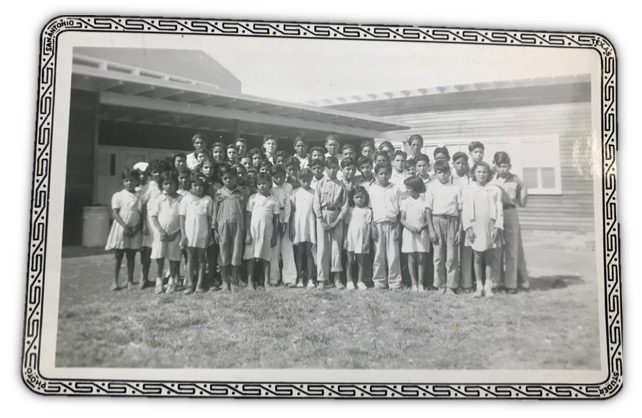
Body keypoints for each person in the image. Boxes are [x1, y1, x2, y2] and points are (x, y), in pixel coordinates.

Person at [462, 161, 504, 298]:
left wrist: (497, 226)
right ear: (474, 173)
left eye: (484, 172)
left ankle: (488, 285)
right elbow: (465, 211)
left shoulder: (495, 190)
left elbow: (499, 210)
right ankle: (479, 285)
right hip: (475, 226)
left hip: (489, 226)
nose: (481, 174)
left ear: (489, 174)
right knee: (477, 257)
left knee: (489, 257)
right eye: (479, 171)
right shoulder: (468, 189)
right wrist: (468, 228)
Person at [491, 151, 529, 293]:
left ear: (510, 165)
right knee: (496, 248)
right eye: (500, 166)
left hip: (510, 212)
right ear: (494, 165)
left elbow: (522, 200)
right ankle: (496, 281)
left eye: (506, 166)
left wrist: (524, 191)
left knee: (512, 249)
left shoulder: (515, 180)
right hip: (496, 215)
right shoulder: (491, 180)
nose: (503, 169)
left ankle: (511, 283)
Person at [426, 160, 461, 295]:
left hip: (452, 221)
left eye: (445, 172)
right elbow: (428, 209)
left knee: (452, 257)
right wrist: (431, 229)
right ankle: (440, 285)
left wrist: (459, 230)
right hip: (437, 221)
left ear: (449, 172)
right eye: (439, 172)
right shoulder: (432, 188)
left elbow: (460, 210)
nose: (443, 175)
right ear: (435, 173)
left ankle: (451, 286)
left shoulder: (456, 188)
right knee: (438, 256)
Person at [313, 156, 349, 289]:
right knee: (322, 247)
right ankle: (322, 278)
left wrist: (338, 220)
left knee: (336, 248)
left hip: (336, 215)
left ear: (338, 168)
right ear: (325, 169)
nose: (332, 170)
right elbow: (316, 203)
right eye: (329, 168)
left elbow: (345, 205)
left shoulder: (341, 185)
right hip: (323, 215)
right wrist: (321, 219)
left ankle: (337, 278)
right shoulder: (320, 183)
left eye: (335, 168)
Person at [105, 170, 143, 290]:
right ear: (123, 182)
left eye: (132, 180)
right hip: (121, 228)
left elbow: (141, 214)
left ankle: (130, 280)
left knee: (131, 255)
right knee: (119, 255)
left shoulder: (139, 196)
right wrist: (125, 226)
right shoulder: (118, 195)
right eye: (127, 180)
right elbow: (115, 213)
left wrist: (136, 228)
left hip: (134, 228)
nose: (129, 183)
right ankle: (114, 281)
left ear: (136, 182)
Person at [368, 162, 402, 290]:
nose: (384, 176)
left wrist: (398, 226)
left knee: (393, 255)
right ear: (376, 175)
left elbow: (400, 209)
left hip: (392, 224)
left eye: (386, 173)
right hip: (378, 225)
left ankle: (395, 282)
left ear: (390, 174)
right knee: (378, 255)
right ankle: (379, 281)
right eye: (381, 174)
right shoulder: (372, 189)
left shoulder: (395, 188)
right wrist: (372, 227)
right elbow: (370, 210)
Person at [212, 164, 246, 291]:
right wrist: (214, 229)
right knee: (223, 254)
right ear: (221, 179)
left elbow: (244, 211)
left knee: (236, 254)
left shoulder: (241, 192)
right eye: (225, 178)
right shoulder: (219, 194)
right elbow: (215, 212)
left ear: (236, 178)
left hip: (238, 227)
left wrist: (245, 229)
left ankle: (234, 280)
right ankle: (225, 281)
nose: (228, 180)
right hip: (223, 227)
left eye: (231, 178)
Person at [244, 172, 279, 289]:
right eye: (259, 184)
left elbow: (276, 219)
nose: (261, 186)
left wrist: (274, 236)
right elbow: (248, 216)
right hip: (254, 231)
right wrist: (248, 233)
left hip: (267, 231)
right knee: (251, 256)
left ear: (270, 184)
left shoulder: (274, 200)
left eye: (264, 183)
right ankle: (250, 282)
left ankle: (266, 282)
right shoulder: (252, 198)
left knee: (266, 257)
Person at [179, 175, 214, 294]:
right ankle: (190, 284)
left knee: (201, 258)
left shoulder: (208, 199)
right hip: (189, 233)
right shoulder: (186, 199)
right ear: (191, 186)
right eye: (195, 185)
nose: (198, 188)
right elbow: (182, 218)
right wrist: (183, 235)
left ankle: (199, 284)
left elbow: (210, 220)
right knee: (190, 258)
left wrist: (209, 235)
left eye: (200, 185)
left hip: (202, 233)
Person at [150, 171, 183, 294]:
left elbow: (183, 217)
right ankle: (159, 280)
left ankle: (172, 280)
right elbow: (154, 216)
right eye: (166, 184)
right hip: (161, 234)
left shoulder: (181, 199)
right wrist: (161, 231)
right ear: (162, 185)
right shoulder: (160, 199)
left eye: (171, 183)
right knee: (160, 256)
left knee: (174, 257)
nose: (169, 186)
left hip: (176, 233)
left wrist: (177, 231)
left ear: (176, 184)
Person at [139, 159, 169, 289]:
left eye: (160, 172)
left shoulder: (167, 185)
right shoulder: (149, 187)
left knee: (161, 252)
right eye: (155, 172)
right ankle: (143, 277)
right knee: (146, 251)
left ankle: (160, 277)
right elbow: (143, 206)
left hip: (162, 223)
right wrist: (144, 224)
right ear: (151, 173)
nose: (157, 175)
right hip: (150, 223)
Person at [400, 176, 430, 292]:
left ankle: (421, 283)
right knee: (411, 257)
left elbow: (428, 218)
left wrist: (422, 227)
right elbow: (402, 219)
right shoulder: (405, 201)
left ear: (416, 188)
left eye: (409, 188)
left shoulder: (424, 200)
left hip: (422, 231)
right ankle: (413, 283)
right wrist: (411, 228)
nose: (406, 190)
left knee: (421, 257)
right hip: (409, 232)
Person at [269, 165, 297, 286]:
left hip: (286, 214)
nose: (280, 180)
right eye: (276, 177)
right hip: (272, 217)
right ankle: (273, 278)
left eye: (282, 177)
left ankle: (290, 278)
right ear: (272, 177)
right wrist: (276, 223)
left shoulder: (288, 186)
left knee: (287, 248)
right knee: (274, 248)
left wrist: (285, 222)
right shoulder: (269, 187)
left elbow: (288, 205)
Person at [289, 168, 317, 288]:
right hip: (298, 223)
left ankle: (310, 278)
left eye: (308, 180)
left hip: (310, 223)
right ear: (299, 180)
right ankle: (300, 278)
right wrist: (291, 227)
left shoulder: (315, 192)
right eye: (303, 180)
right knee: (299, 251)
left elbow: (316, 211)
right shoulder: (295, 192)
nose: (306, 183)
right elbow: (292, 211)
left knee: (309, 251)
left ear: (311, 180)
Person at [451, 152, 474, 292]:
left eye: (464, 163)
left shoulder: (470, 179)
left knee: (466, 251)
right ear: (453, 164)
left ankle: (466, 283)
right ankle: (453, 283)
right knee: (452, 252)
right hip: (453, 216)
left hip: (468, 215)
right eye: (458, 163)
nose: (461, 165)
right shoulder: (450, 178)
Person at [344, 186, 372, 291]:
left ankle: (360, 281)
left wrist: (366, 240)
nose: (359, 199)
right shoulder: (350, 210)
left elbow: (369, 226)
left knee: (361, 261)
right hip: (351, 237)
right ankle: (349, 281)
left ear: (365, 198)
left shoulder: (368, 210)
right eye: (357, 197)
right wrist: (345, 239)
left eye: (362, 197)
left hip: (362, 238)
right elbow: (346, 225)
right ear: (353, 198)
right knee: (350, 260)